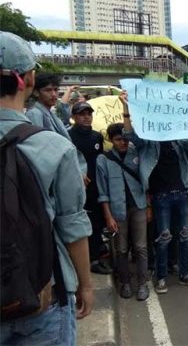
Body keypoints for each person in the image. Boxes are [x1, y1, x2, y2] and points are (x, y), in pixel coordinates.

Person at [0, 31, 93, 344]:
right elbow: (72, 226)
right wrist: (85, 284)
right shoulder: (52, 146)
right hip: (42, 292)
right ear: (27, 78)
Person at [120, 93, 188, 293]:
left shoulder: (179, 143)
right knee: (163, 238)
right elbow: (130, 136)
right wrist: (126, 109)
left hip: (181, 194)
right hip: (160, 196)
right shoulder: (149, 143)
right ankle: (162, 277)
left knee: (185, 235)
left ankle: (184, 274)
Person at [96, 123, 149, 300]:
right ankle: (125, 282)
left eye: (125, 139)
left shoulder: (137, 153)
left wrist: (149, 207)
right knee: (122, 249)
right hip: (118, 212)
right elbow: (103, 193)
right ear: (111, 140)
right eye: (118, 139)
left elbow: (145, 182)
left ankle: (142, 283)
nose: (123, 142)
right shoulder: (103, 160)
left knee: (141, 247)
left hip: (138, 206)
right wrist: (108, 216)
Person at [69, 101, 111, 275]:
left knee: (97, 223)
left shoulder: (96, 137)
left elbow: (100, 161)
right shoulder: (68, 137)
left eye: (89, 113)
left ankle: (96, 255)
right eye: (82, 114)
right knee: (84, 226)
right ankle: (90, 260)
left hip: (97, 188)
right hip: (77, 190)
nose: (86, 117)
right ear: (74, 117)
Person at [25, 74, 71, 139]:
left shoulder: (50, 113)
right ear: (36, 93)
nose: (54, 94)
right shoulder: (34, 114)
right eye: (48, 90)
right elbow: (38, 141)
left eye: (56, 90)